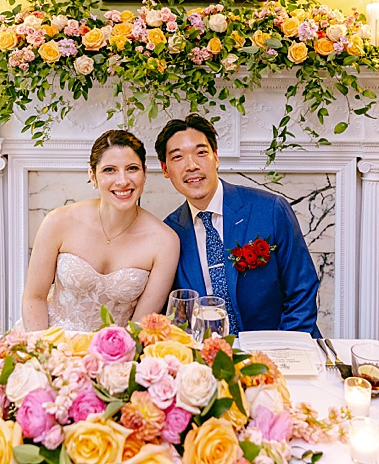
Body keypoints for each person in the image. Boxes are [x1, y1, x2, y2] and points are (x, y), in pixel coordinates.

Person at [158, 114, 324, 338]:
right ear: (165, 169)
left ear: (216, 157)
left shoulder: (270, 209)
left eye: (201, 153)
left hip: (278, 346)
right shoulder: (170, 233)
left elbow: (302, 290)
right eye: (178, 157)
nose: (192, 165)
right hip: (210, 355)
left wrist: (284, 348)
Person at [22, 130, 181, 331]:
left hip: (117, 354)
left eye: (132, 168)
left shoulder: (165, 241)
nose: (123, 181)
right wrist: (41, 353)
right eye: (109, 170)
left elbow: (140, 326)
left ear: (144, 173)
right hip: (52, 346)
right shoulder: (58, 221)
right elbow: (34, 298)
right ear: (93, 175)